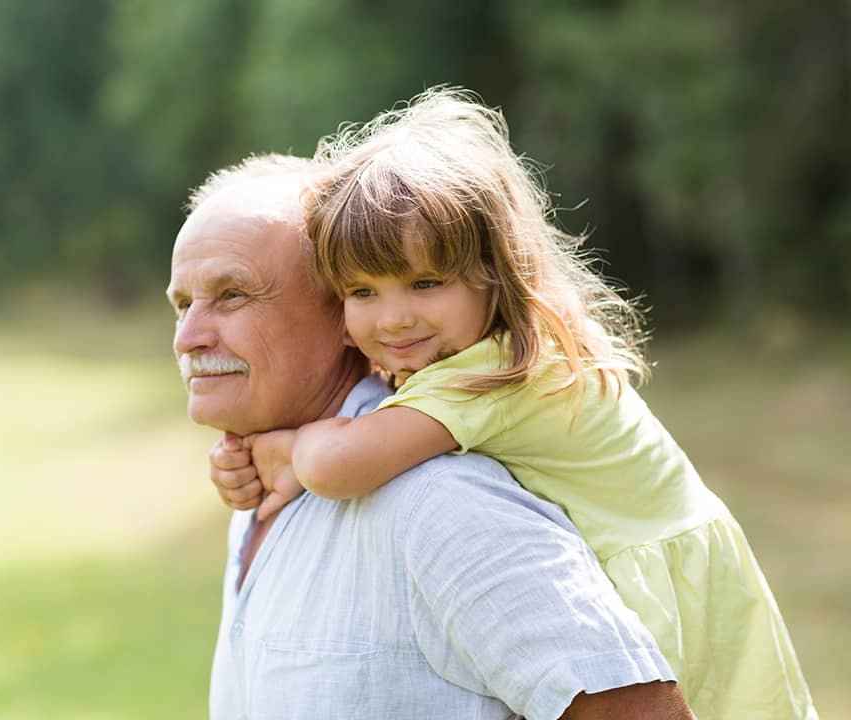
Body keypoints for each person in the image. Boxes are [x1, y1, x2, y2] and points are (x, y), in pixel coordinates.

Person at [214, 89, 817, 719]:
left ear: (494, 273)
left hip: (668, 586)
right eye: (362, 291)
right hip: (680, 557)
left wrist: (289, 447)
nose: (393, 319)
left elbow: (340, 466)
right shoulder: (473, 350)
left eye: (425, 283)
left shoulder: (491, 375)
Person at [169, 151, 694, 719]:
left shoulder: (440, 502)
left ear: (338, 311)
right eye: (181, 305)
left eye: (233, 295)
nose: (188, 337)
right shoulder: (259, 490)